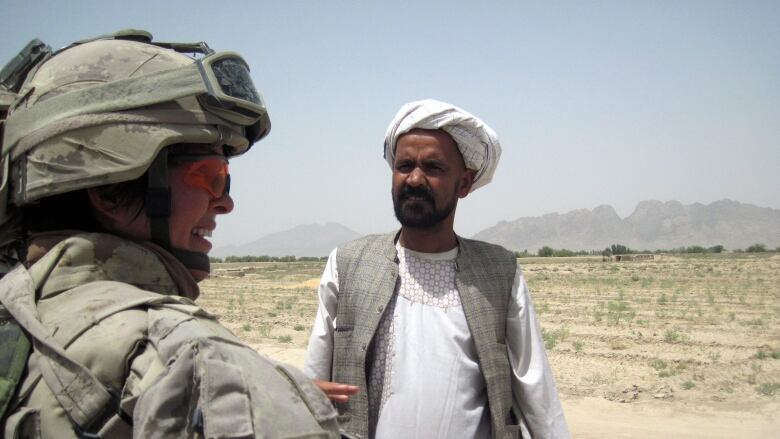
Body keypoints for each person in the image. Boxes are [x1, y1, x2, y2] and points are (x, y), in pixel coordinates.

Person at [0, 30, 340, 438]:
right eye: (211, 178)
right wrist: (252, 392)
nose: (224, 203)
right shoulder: (192, 360)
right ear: (108, 186)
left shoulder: (18, 313)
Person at [304, 99, 570, 438]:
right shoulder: (347, 264)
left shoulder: (500, 273)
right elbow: (313, 389)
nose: (414, 179)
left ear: (464, 183)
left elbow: (538, 395)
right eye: (404, 166)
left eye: (432, 167)